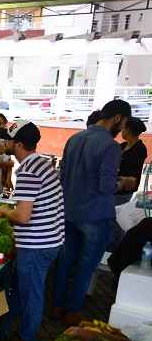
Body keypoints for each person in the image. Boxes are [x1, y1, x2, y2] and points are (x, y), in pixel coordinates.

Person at [53, 100, 136, 326]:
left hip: (69, 212)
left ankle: (57, 305)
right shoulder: (109, 146)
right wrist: (124, 182)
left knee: (66, 261)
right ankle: (72, 310)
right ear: (118, 118)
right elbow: (106, 186)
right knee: (86, 265)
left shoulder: (74, 139)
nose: (123, 129)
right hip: (94, 215)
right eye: (125, 122)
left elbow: (62, 178)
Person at [0, 121, 65, 341]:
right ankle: (21, 330)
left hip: (37, 246)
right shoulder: (44, 164)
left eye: (8, 139)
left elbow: (23, 217)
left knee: (32, 293)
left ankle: (26, 340)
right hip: (48, 240)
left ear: (19, 144)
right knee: (30, 289)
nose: (4, 142)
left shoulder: (27, 171)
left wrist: (5, 211)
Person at [115, 117, 148, 205]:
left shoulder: (140, 149)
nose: (122, 130)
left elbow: (131, 171)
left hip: (125, 190)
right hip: (115, 186)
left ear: (128, 130)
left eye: (123, 128)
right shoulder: (122, 146)